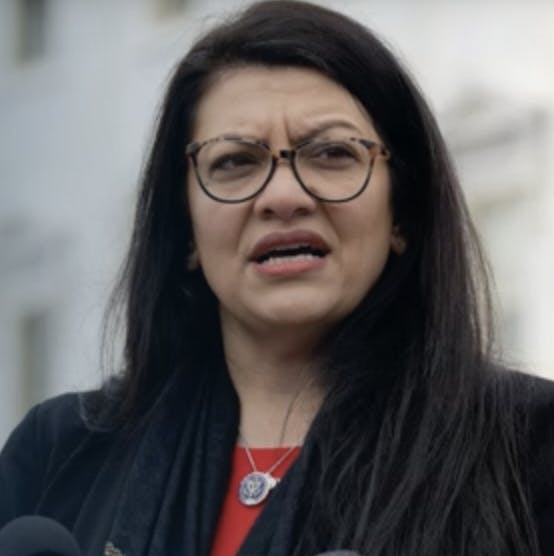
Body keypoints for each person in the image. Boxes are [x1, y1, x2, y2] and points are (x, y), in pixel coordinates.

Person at [1, 1, 553, 555]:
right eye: (235, 162)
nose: (283, 197)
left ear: (402, 211)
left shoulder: (531, 448)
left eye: (332, 153)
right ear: (185, 227)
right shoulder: (60, 455)